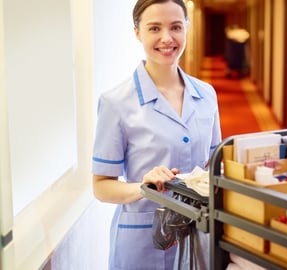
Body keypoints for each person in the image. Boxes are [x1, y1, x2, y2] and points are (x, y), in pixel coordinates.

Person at [91, 0, 222, 269]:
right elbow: (101, 186)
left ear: (186, 28)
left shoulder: (206, 94)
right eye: (154, 28)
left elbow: (213, 164)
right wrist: (142, 187)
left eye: (175, 27)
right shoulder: (116, 102)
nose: (167, 38)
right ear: (137, 33)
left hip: (199, 234)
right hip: (142, 241)